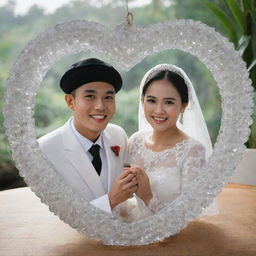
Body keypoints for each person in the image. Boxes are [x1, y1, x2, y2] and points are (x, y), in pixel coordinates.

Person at [114, 64, 218, 222]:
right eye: (151, 101)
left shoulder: (193, 151)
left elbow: (186, 215)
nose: (158, 110)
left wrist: (148, 197)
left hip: (169, 239)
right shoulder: (135, 141)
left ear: (183, 105)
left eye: (168, 102)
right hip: (131, 224)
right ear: (142, 101)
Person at [38, 58, 138, 214]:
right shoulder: (44, 150)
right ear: (71, 101)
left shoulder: (118, 134)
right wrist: (110, 200)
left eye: (108, 97)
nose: (100, 106)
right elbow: (53, 215)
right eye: (90, 97)